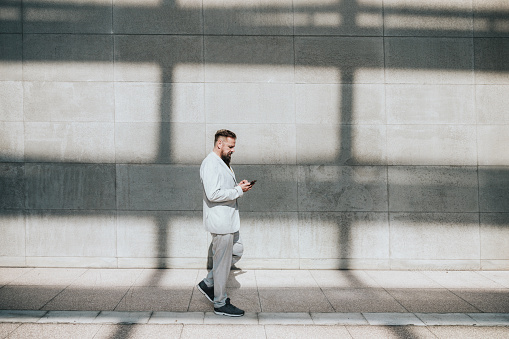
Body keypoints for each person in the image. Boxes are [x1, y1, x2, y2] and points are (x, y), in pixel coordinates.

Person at [197, 129, 254, 317]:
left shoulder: (222, 163)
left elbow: (224, 188)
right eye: (230, 146)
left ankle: (208, 283)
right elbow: (213, 194)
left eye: (234, 147)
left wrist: (239, 186)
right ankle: (220, 303)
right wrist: (238, 190)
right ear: (219, 144)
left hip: (229, 221)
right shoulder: (210, 164)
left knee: (236, 251)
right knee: (222, 264)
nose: (233, 150)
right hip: (221, 223)